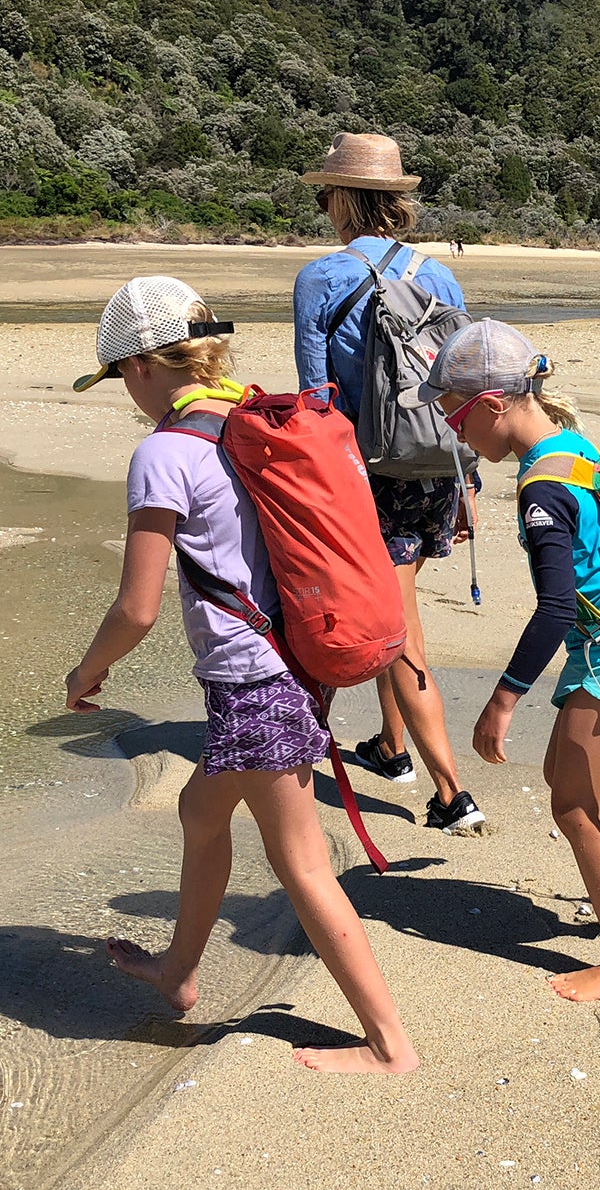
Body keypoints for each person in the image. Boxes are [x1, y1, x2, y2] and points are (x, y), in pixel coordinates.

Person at [65, 277, 418, 1074]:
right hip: (300, 658)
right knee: (199, 811)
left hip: (253, 679)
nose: (127, 391)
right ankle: (179, 971)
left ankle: (389, 1045)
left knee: (300, 863)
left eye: (122, 374)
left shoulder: (164, 452)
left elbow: (137, 608)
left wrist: (86, 672)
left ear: (145, 366)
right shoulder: (254, 422)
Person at [405, 319, 600, 1001]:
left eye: (455, 418)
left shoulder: (540, 490)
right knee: (572, 780)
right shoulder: (569, 447)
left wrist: (503, 698)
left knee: (576, 808)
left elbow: (553, 608)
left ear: (491, 405)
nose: (455, 435)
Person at [294, 132, 484, 835]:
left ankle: (451, 793)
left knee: (396, 626)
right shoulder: (439, 274)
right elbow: (461, 378)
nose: (322, 206)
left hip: (368, 472)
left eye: (325, 194)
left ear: (342, 198)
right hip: (437, 465)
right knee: (394, 603)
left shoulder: (320, 278)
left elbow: (318, 401)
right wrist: (465, 483)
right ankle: (392, 748)